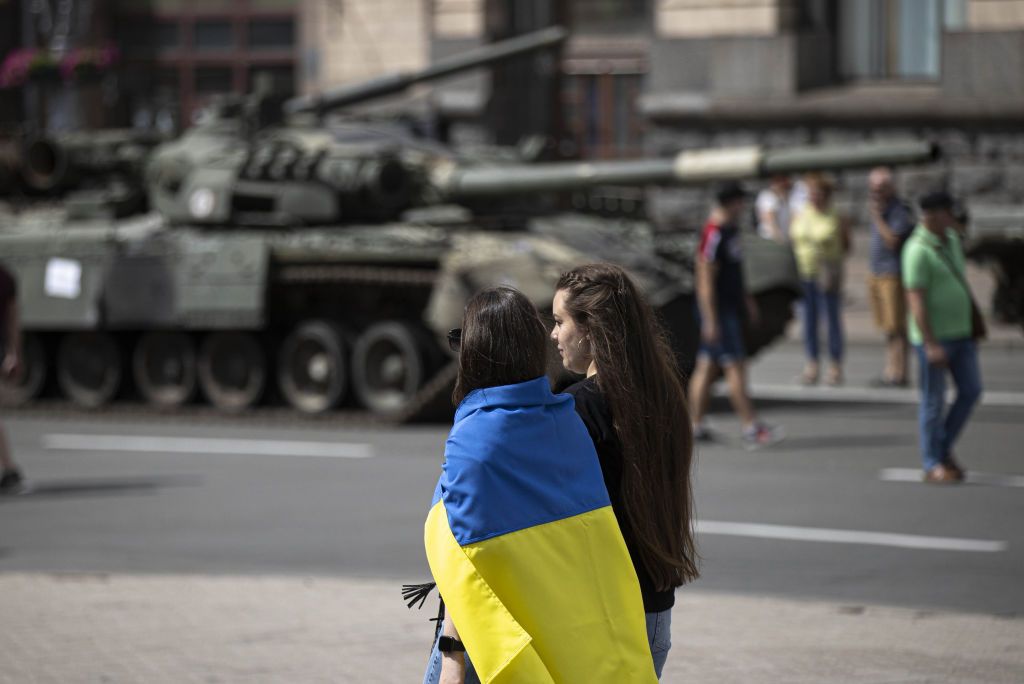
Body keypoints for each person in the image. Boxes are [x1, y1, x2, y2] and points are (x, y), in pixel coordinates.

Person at [423, 287, 657, 684]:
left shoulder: (475, 437)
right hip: (567, 636)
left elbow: (466, 565)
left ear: (477, 352)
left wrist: (451, 658)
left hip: (493, 645)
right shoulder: (567, 422)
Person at [551, 262, 699, 678]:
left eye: (560, 321)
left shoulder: (579, 406)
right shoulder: (663, 392)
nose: (554, 334)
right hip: (652, 609)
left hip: (598, 615)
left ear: (591, 328)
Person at [688, 181, 783, 448]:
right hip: (719, 312)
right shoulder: (713, 232)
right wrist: (710, 318)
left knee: (707, 366)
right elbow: (705, 278)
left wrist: (746, 299)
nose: (743, 206)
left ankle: (695, 424)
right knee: (735, 366)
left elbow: (734, 271)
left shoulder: (730, 231)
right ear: (731, 202)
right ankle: (750, 426)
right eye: (740, 201)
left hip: (729, 307)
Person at [903, 191, 983, 484]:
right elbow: (916, 301)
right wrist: (930, 343)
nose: (954, 218)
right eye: (949, 213)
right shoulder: (916, 250)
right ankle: (932, 461)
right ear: (934, 215)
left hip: (960, 334)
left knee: (971, 390)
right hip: (935, 339)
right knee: (933, 402)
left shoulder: (949, 240)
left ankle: (942, 447)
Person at [790, 173, 851, 386]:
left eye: (816, 193)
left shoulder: (835, 216)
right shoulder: (802, 213)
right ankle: (812, 364)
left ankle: (835, 366)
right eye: (810, 193)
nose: (812, 197)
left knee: (831, 320)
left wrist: (834, 266)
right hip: (804, 273)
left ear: (826, 195)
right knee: (809, 322)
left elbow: (846, 245)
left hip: (826, 274)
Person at [866, 167, 916, 387]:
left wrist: (877, 217)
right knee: (887, 327)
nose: (876, 192)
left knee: (897, 327)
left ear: (891, 188)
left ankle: (900, 372)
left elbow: (892, 240)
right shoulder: (882, 208)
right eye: (873, 188)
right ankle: (890, 370)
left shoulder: (898, 210)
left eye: (881, 188)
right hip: (877, 272)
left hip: (892, 273)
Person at [0, 261, 24, 493]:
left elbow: (12, 319)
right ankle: (10, 470)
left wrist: (13, 353)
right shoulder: (6, 275)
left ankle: (10, 471)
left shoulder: (5, 278)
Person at [755, 173, 808, 243]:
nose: (781, 184)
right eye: (778, 181)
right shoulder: (767, 195)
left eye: (783, 180)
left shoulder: (792, 193)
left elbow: (795, 216)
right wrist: (781, 240)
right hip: (769, 240)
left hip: (788, 240)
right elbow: (770, 222)